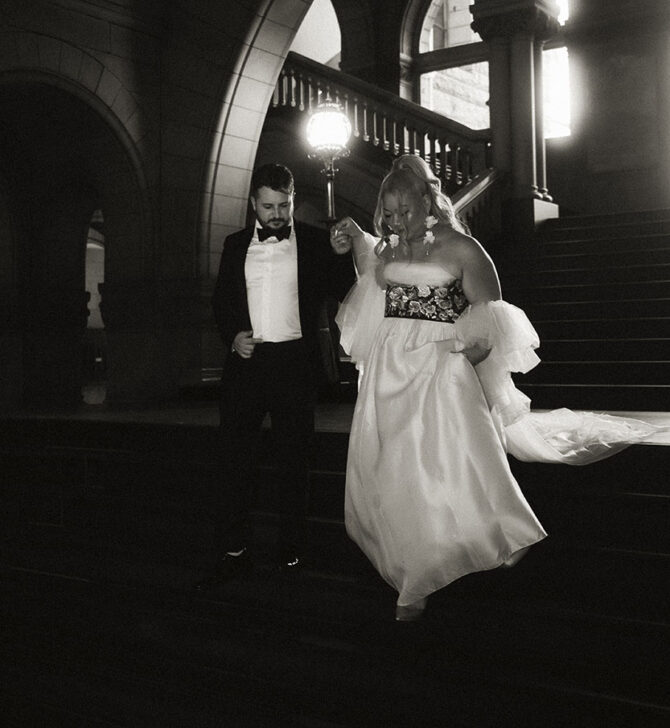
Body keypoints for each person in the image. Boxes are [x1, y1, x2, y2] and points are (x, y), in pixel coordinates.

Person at [331, 154, 661, 622]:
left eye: (406, 211)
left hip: (438, 367)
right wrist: (355, 243)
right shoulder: (386, 248)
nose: (397, 222)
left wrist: (470, 352)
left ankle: (423, 579)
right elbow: (372, 295)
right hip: (389, 371)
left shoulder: (464, 249)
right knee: (387, 466)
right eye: (389, 213)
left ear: (428, 202)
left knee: (433, 465)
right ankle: (413, 563)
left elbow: (493, 318)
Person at [196, 162, 355, 590]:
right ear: (253, 203)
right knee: (235, 461)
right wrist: (233, 337)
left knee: (295, 461)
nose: (277, 215)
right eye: (268, 207)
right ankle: (234, 549)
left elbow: (345, 290)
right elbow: (221, 302)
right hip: (246, 365)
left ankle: (292, 548)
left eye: (284, 205)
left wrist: (343, 257)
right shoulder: (233, 245)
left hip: (294, 366)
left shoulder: (317, 243)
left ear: (292, 199)